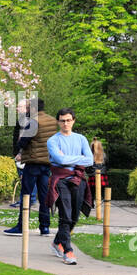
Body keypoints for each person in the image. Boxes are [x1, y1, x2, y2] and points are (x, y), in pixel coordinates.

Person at [44, 108, 93, 265]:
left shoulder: (81, 139)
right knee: (65, 214)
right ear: (58, 122)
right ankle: (68, 251)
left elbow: (90, 160)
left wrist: (68, 159)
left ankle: (57, 241)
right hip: (60, 180)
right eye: (62, 120)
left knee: (74, 217)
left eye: (68, 120)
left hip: (78, 179)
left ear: (73, 121)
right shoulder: (52, 140)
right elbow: (59, 159)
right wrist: (78, 159)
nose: (66, 123)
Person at [4, 98, 56, 237]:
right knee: (44, 196)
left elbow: (23, 141)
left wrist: (19, 149)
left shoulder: (33, 121)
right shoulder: (52, 121)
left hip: (33, 163)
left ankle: (21, 226)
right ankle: (45, 227)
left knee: (25, 194)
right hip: (47, 163)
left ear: (32, 109)